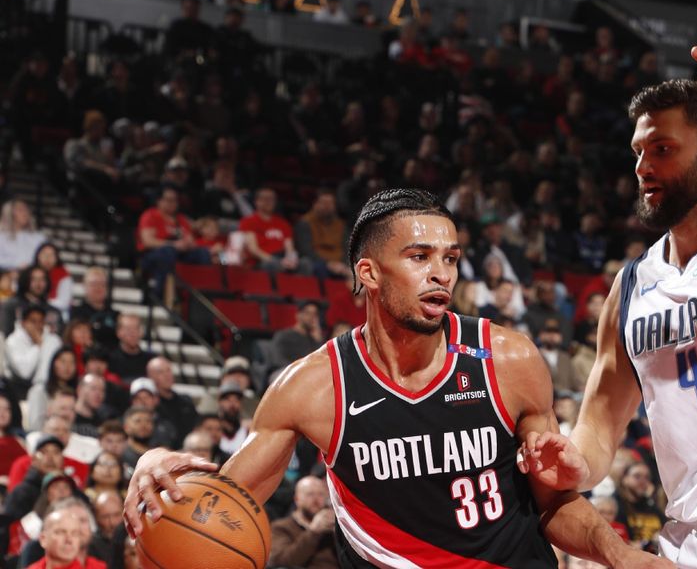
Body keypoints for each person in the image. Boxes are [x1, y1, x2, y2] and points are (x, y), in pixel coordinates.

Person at [124, 189, 668, 568]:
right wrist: (154, 464)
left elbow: (552, 504)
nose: (442, 273)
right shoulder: (314, 387)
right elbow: (225, 504)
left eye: (450, 258)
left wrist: (620, 555)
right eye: (419, 256)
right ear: (369, 272)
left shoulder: (507, 358)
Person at [521, 0, 697, 567]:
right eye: (639, 151)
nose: (643, 167)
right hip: (684, 540)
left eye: (664, 149)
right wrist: (576, 459)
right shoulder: (630, 287)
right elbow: (601, 422)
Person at [268, 475, 337, 568]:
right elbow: (282, 561)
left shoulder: (332, 526)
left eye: (321, 494)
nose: (316, 499)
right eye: (310, 494)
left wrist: (339, 534)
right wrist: (313, 532)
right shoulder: (281, 527)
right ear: (297, 499)